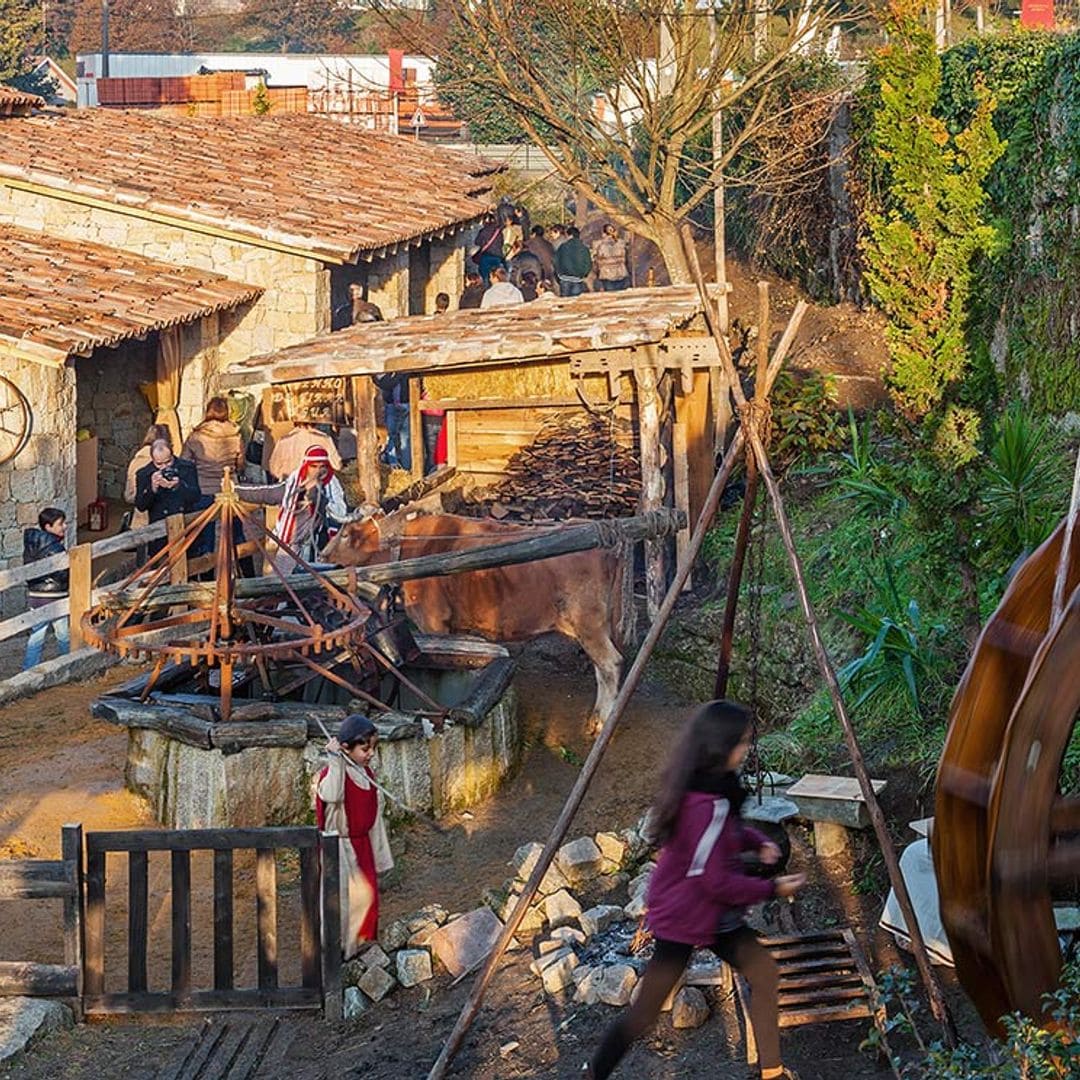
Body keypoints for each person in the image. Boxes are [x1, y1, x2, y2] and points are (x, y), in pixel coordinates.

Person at [586, 700, 807, 1080]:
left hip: (709, 910)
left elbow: (722, 837)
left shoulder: (710, 784)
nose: (746, 749)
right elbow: (714, 880)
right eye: (742, 742)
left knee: (764, 973)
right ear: (723, 747)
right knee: (645, 1013)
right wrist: (771, 887)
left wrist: (755, 841)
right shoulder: (706, 802)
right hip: (684, 915)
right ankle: (593, 1075)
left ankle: (771, 1071)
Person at [316, 714, 393, 958]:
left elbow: (375, 818)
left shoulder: (367, 773)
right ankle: (340, 953)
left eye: (373, 748)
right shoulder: (332, 773)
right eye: (364, 748)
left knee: (368, 898)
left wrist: (381, 856)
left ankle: (364, 950)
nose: (370, 753)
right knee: (345, 902)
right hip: (341, 848)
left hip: (363, 846)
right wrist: (335, 759)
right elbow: (332, 795)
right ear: (346, 747)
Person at [240, 445, 347, 574]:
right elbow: (265, 493)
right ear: (306, 466)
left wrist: (321, 500)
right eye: (314, 466)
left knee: (313, 583)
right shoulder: (293, 485)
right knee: (282, 582)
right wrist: (236, 490)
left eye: (322, 466)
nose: (318, 470)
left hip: (317, 544)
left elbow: (340, 513)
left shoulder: (331, 486)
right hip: (289, 545)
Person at [22, 508, 70, 670]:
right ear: (48, 527)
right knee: (63, 635)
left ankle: (28, 669)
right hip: (55, 595)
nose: (64, 526)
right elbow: (63, 573)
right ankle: (68, 664)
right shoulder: (55, 547)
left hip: (36, 595)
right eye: (60, 524)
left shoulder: (32, 544)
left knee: (36, 635)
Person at [181, 397, 244, 497]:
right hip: (228, 487)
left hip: (202, 487)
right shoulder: (236, 436)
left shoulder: (195, 437)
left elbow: (184, 463)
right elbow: (240, 464)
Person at [133, 439, 202, 526]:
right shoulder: (144, 474)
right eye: (159, 464)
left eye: (168, 462)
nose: (164, 467)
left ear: (172, 455)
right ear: (153, 459)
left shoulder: (187, 468)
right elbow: (140, 506)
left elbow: (196, 497)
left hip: (185, 521)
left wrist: (179, 486)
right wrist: (152, 488)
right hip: (160, 525)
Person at [124, 424, 172, 530]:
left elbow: (128, 496)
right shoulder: (167, 463)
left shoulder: (135, 461)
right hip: (161, 521)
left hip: (139, 522)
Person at [268, 421, 343, 482]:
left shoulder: (283, 441)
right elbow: (337, 465)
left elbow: (274, 469)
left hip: (288, 486)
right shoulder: (325, 439)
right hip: (317, 488)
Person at [373, 373, 410, 470]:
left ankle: (396, 466)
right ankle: (405, 467)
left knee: (392, 437)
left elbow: (386, 383)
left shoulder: (393, 372)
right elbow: (383, 383)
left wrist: (397, 374)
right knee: (404, 438)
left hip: (396, 405)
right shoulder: (404, 369)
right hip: (403, 404)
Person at [555, 226, 593, 297]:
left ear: (570, 235)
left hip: (564, 278)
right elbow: (588, 263)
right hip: (578, 279)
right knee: (576, 303)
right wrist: (584, 274)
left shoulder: (562, 247)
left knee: (564, 302)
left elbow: (556, 262)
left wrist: (559, 274)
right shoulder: (584, 248)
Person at [592, 223, 631, 291]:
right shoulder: (621, 243)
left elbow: (595, 260)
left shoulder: (598, 244)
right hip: (620, 273)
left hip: (606, 274)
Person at [471, 214, 505, 286]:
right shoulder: (499, 232)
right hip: (497, 257)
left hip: (486, 257)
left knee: (485, 277)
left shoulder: (484, 231)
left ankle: (487, 290)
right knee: (497, 275)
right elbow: (502, 243)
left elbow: (477, 242)